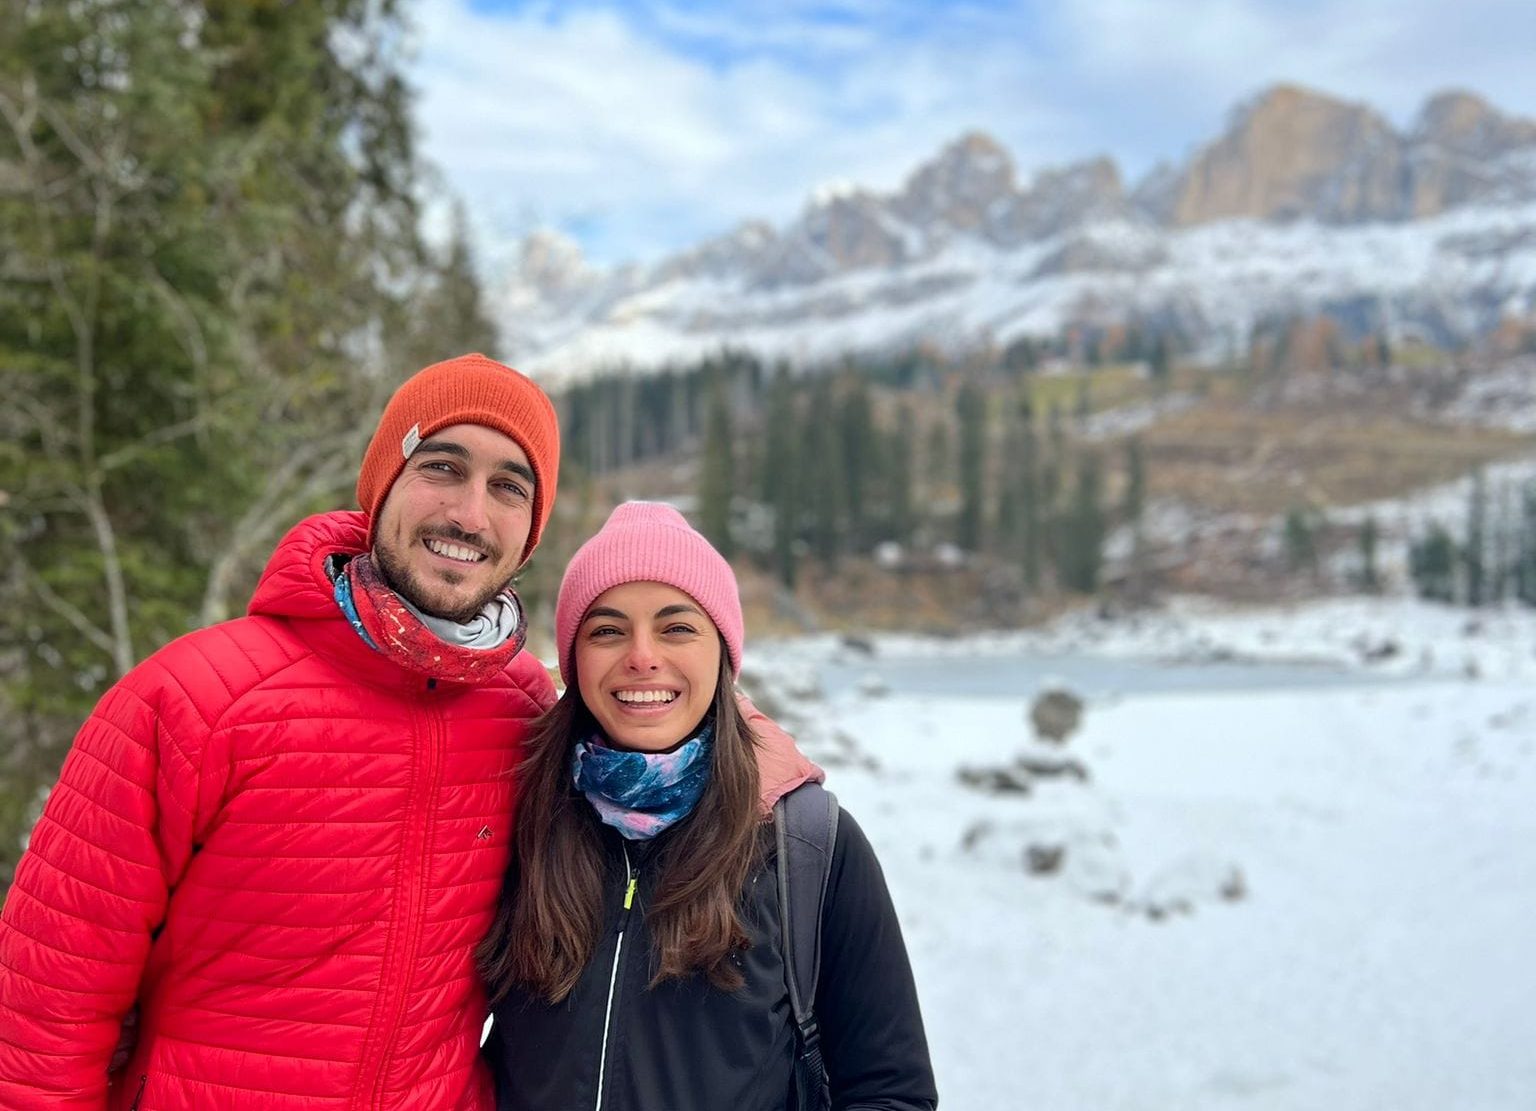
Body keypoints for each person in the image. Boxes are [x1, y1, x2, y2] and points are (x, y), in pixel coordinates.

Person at [0, 353, 564, 1109]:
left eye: (508, 487)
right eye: (441, 465)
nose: (468, 513)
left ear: (530, 531)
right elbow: (43, 1007)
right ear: (381, 486)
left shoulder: (527, 713)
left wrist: (765, 767)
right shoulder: (194, 700)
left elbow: (662, 744)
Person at [478, 501, 939, 1111]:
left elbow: (890, 1093)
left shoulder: (808, 847)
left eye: (677, 628)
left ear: (722, 654)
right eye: (608, 630)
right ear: (574, 658)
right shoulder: (520, 817)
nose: (642, 656)